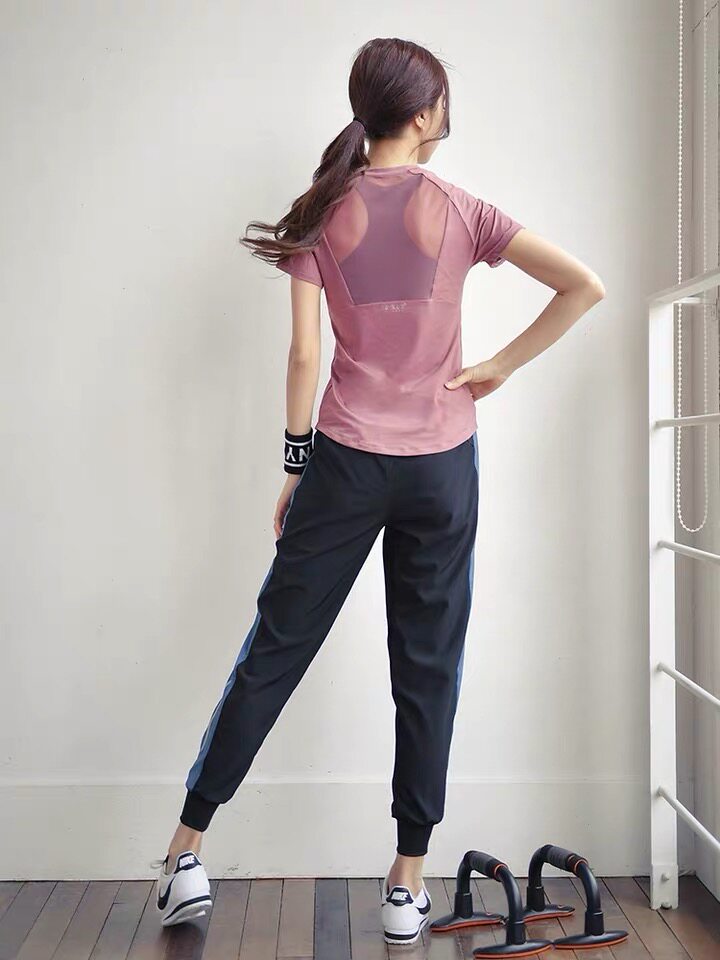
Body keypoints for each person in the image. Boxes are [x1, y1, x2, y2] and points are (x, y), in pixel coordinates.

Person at [150, 36, 605, 945]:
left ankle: (184, 855)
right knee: (427, 666)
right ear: (425, 111)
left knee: (275, 646)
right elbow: (583, 286)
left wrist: (295, 464)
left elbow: (304, 354)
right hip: (441, 464)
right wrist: (498, 367)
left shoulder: (325, 210)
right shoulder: (462, 208)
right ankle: (406, 884)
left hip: (346, 461)